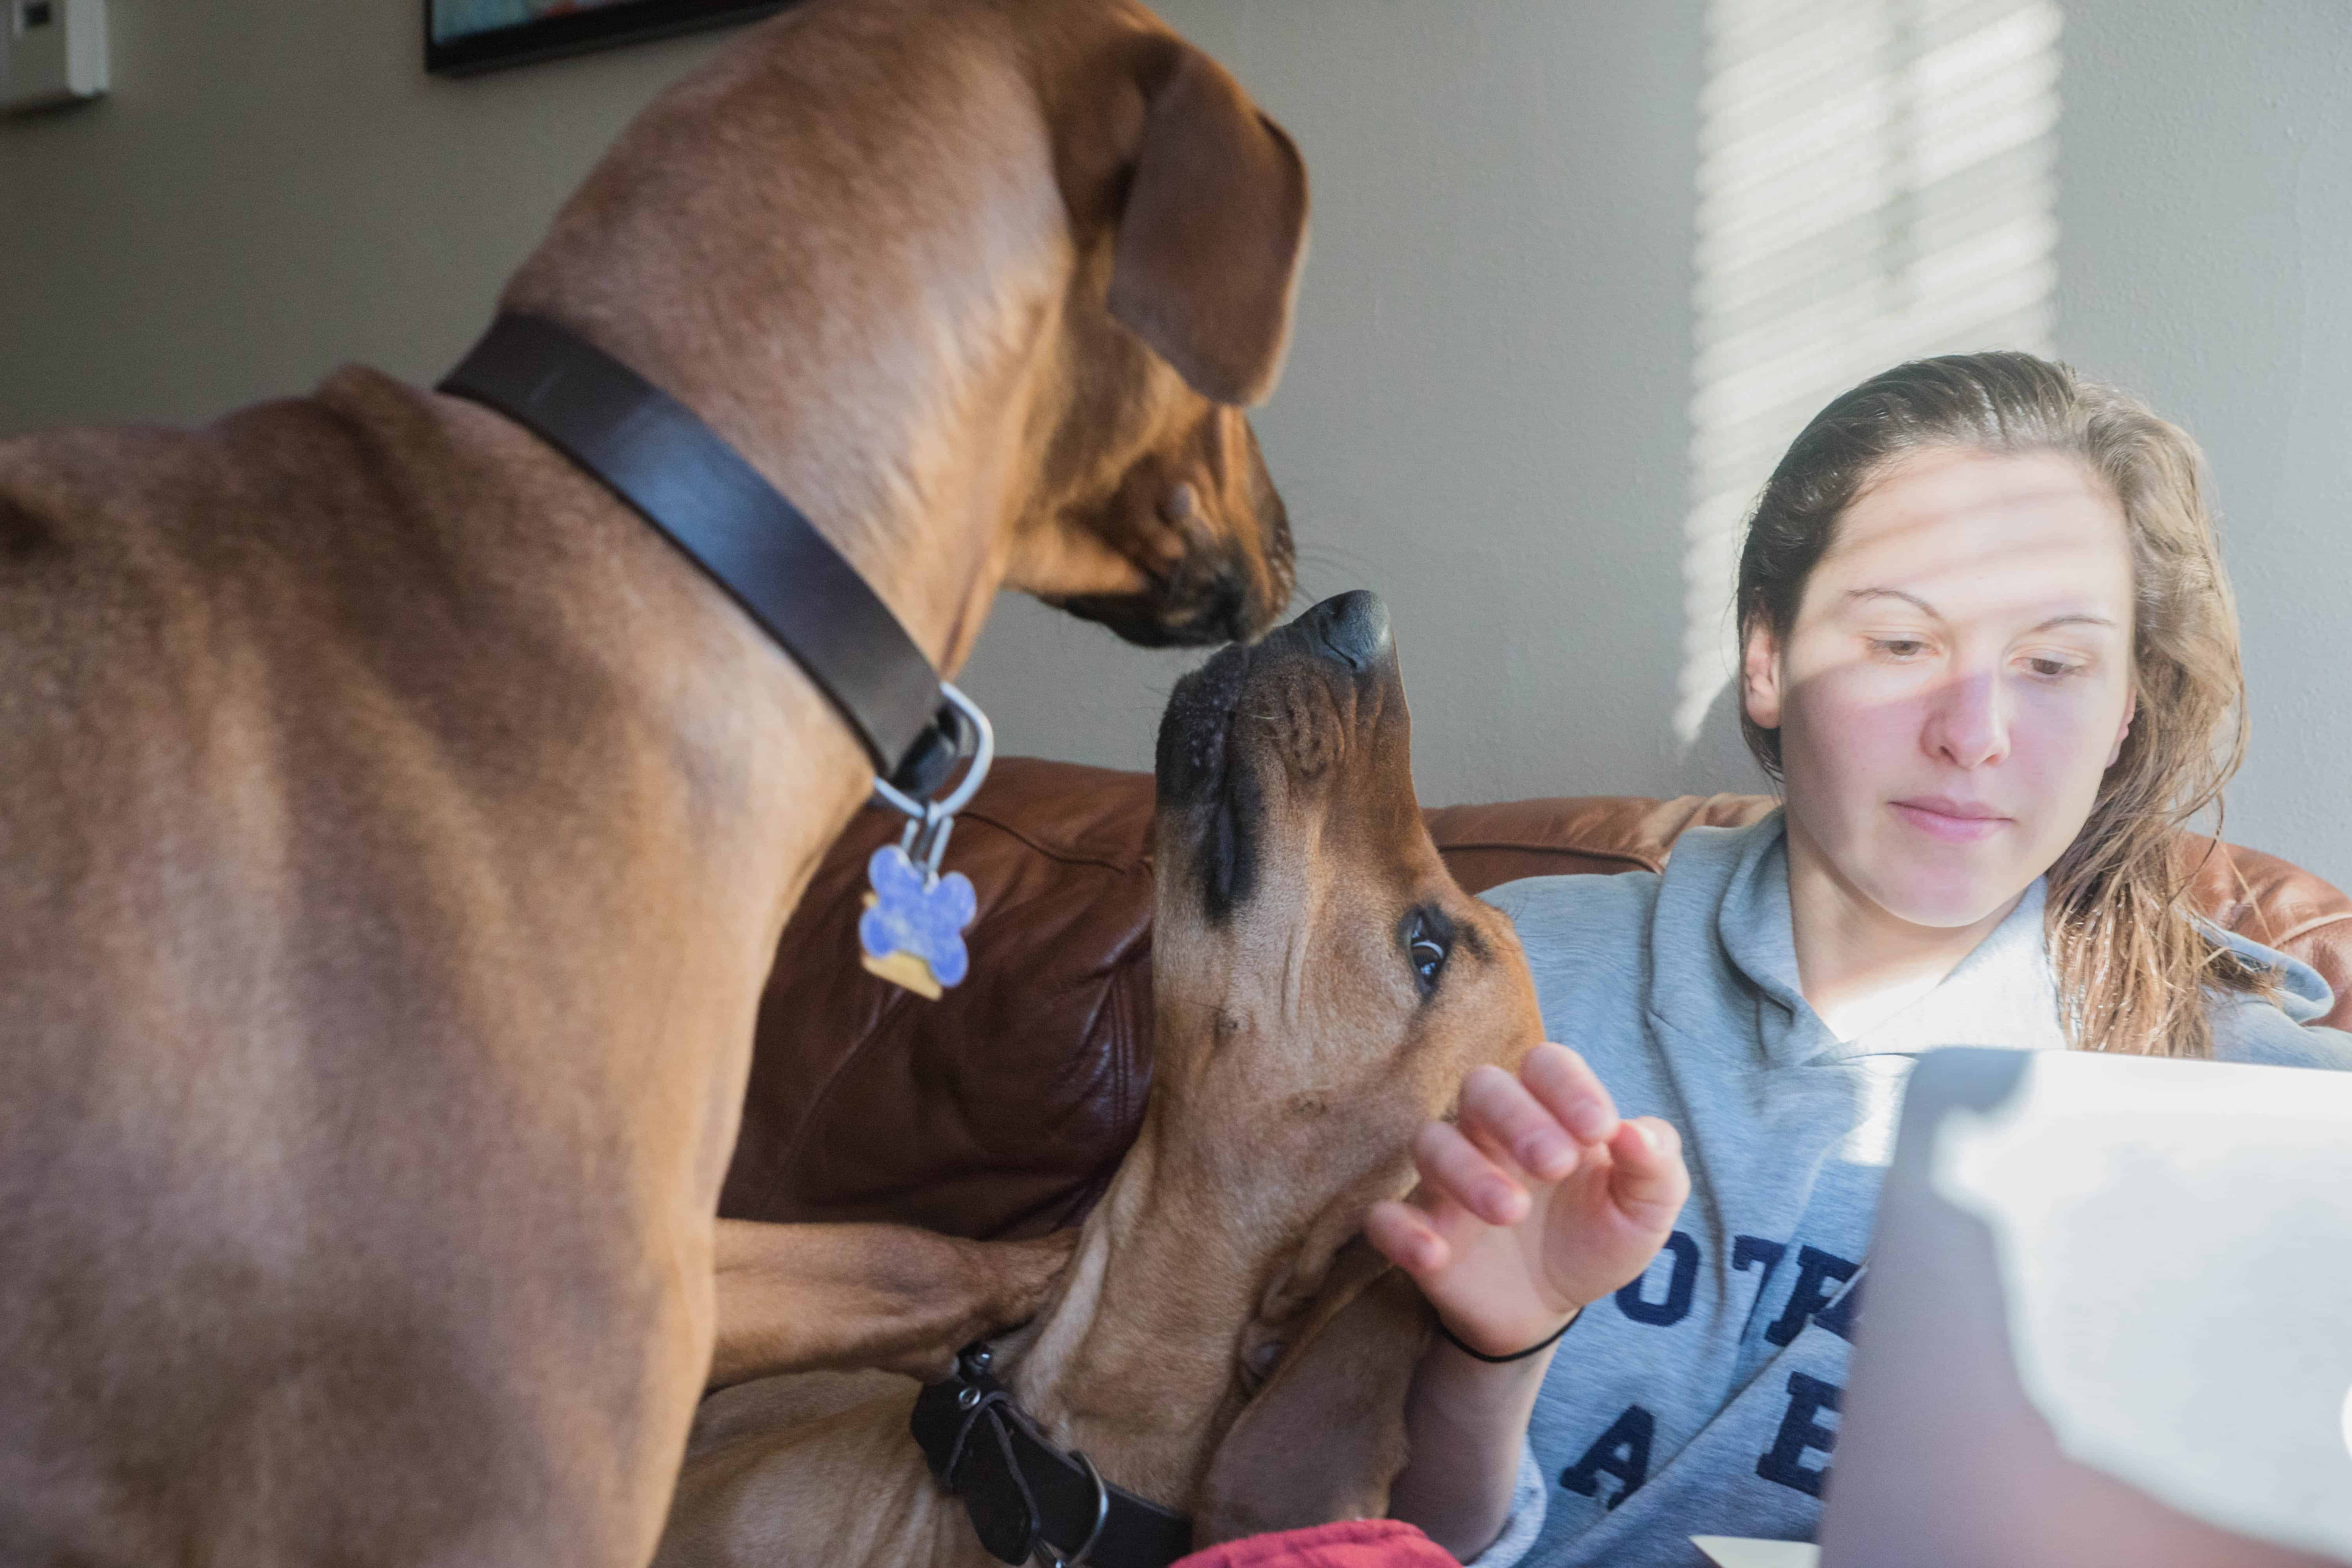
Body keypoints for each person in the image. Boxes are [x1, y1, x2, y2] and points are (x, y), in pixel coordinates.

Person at [1364, 352, 2352, 1568]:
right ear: (1769, 659)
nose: (1974, 735)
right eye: (1901, 642)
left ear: (2125, 713)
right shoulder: (1501, 991)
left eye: (2053, 665)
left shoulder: (2263, 1104)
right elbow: (1347, 1534)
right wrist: (1489, 1358)